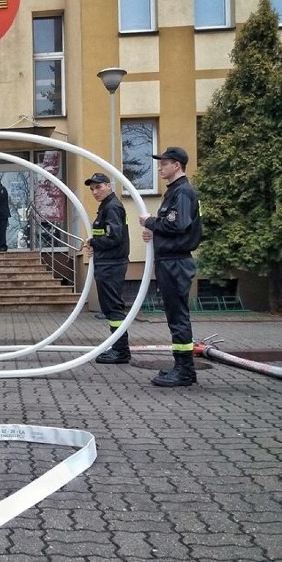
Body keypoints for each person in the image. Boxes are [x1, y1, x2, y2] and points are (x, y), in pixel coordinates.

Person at [139, 146, 202, 387]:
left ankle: (185, 370)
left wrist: (150, 222)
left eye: (164, 163)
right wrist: (154, 233)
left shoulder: (183, 192)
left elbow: (178, 226)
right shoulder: (174, 192)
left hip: (176, 262)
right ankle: (181, 366)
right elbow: (172, 227)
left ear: (177, 165)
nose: (159, 167)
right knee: (174, 315)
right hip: (169, 260)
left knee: (178, 316)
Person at [83, 172, 131, 364]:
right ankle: (118, 347)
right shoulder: (106, 207)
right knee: (110, 307)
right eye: (92, 189)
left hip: (112, 264)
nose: (95, 192)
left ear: (108, 186)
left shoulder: (111, 207)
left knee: (113, 308)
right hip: (107, 261)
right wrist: (95, 246)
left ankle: (120, 350)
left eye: (99, 187)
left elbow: (114, 237)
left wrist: (93, 241)